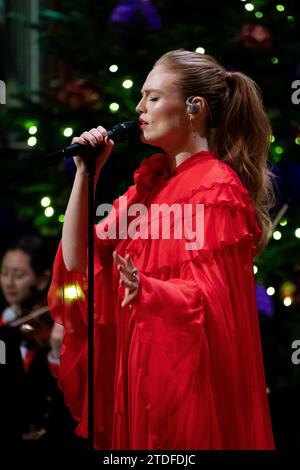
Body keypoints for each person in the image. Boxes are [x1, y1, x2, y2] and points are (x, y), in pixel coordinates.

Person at [48, 49, 276, 450]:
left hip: (186, 382)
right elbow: (77, 259)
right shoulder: (151, 185)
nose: (139, 108)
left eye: (152, 97)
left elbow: (213, 302)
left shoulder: (215, 187)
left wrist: (150, 291)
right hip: (140, 369)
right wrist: (88, 174)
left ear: (194, 108)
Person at [0, 236, 73, 446]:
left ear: (42, 280)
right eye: (4, 273)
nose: (8, 282)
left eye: (19, 275)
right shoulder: (6, 324)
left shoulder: (53, 329)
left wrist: (57, 355)